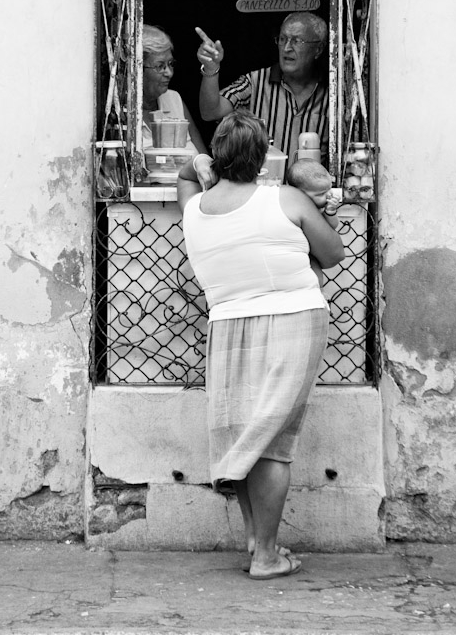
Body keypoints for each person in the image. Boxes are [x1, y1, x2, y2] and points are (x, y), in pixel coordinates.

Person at [177, 111, 345, 581]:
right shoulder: (284, 198)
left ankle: (256, 540)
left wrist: (202, 163)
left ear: (220, 155)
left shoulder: (195, 209)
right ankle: (267, 556)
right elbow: (333, 254)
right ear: (262, 159)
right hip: (293, 319)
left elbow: (184, 173)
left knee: (248, 431)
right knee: (272, 441)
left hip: (228, 325)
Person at [195, 12, 329, 164]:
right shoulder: (255, 82)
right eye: (282, 39)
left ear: (318, 49)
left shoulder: (332, 93)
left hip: (313, 186)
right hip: (261, 185)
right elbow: (211, 112)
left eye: (297, 41)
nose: (286, 48)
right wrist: (211, 70)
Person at [142, 25, 207, 155]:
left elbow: (203, 157)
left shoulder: (174, 99)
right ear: (138, 69)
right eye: (160, 66)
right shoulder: (122, 117)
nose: (169, 73)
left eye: (170, 64)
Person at [285, 159, 342, 288]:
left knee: (315, 277)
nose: (328, 195)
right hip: (295, 254)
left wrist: (330, 212)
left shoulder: (321, 208)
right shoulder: (292, 207)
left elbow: (332, 226)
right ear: (298, 193)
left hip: (314, 253)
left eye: (330, 189)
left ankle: (317, 293)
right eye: (321, 193)